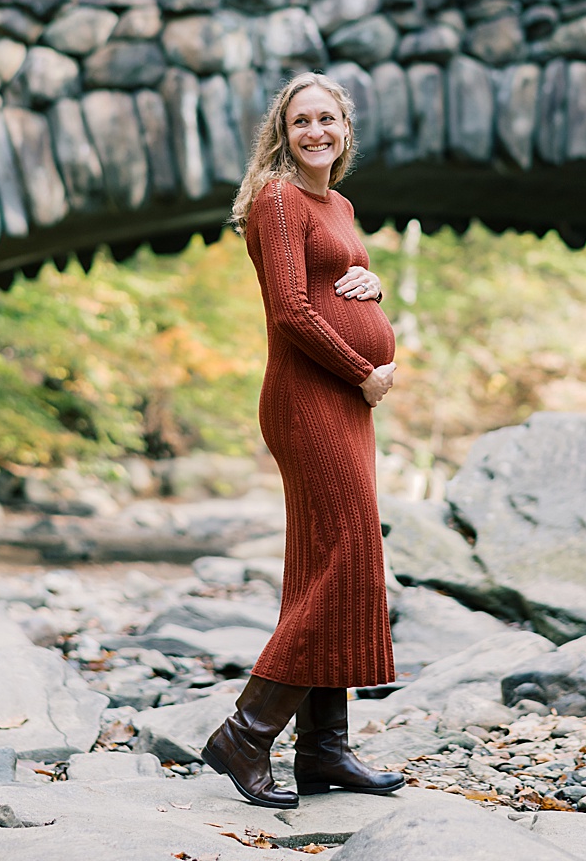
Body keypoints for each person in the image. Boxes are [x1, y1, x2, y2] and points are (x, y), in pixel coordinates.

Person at [202, 72, 405, 809]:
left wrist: (372, 286)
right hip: (309, 398)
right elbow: (290, 310)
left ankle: (324, 750)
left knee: (327, 561)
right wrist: (364, 369)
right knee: (348, 554)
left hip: (345, 402)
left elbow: (336, 280)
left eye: (327, 119)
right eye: (300, 122)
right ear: (282, 135)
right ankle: (247, 734)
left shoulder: (339, 204)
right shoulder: (279, 198)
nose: (315, 131)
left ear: (345, 128)